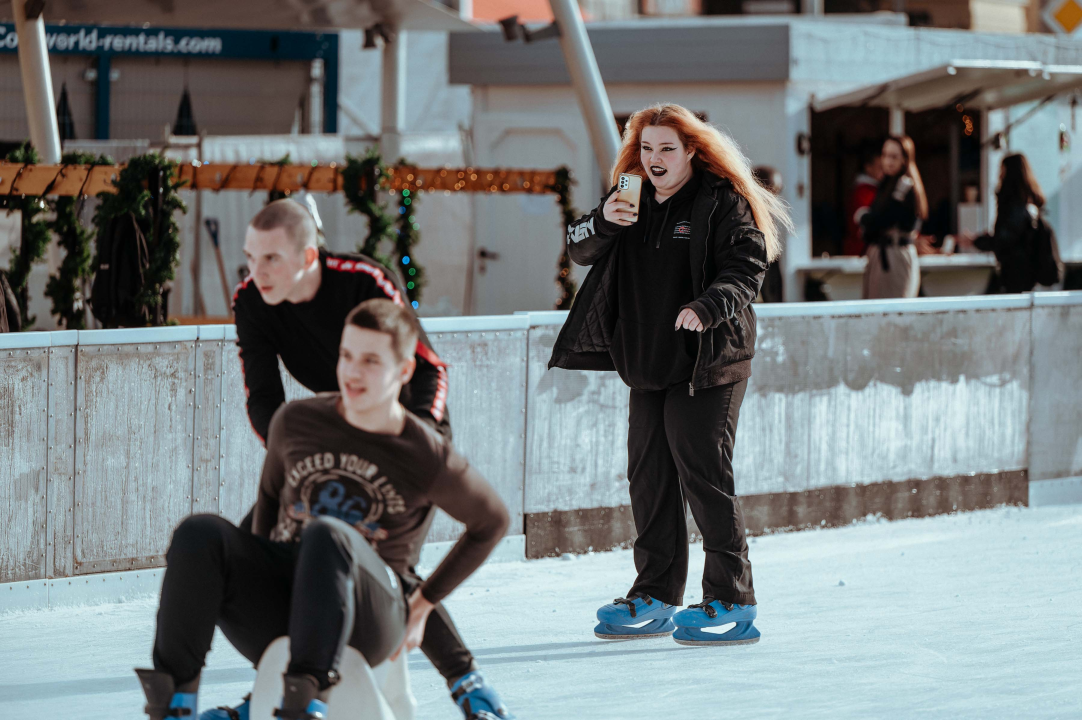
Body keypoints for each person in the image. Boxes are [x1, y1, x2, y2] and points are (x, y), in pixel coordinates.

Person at [135, 299, 511, 720]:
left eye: (371, 361)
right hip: (290, 607)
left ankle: (303, 706)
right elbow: (267, 515)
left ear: (404, 371)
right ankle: (174, 705)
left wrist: (423, 602)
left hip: (372, 621)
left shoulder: (424, 453)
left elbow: (492, 521)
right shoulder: (296, 421)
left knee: (326, 533)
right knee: (199, 533)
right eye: (347, 355)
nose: (352, 371)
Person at [216, 200, 513, 719]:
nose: (257, 272)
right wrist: (304, 453)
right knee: (277, 548)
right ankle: (276, 690)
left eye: (270, 260)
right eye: (250, 259)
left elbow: (428, 368)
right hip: (327, 433)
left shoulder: (360, 279)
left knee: (384, 560)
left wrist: (411, 438)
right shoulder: (252, 301)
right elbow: (262, 397)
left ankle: (469, 686)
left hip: (406, 423)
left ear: (306, 255)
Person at [549, 103, 791, 646]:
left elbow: (747, 266)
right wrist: (606, 221)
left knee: (703, 475)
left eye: (666, 149)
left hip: (708, 362)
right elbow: (578, 247)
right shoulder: (628, 198)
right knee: (650, 477)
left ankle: (731, 597)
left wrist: (708, 305)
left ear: (691, 152)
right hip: (649, 360)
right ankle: (656, 592)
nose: (654, 159)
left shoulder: (719, 203)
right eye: (646, 148)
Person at [958, 153, 1062, 293]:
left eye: (1002, 170)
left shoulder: (1014, 206)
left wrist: (977, 241)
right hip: (1028, 275)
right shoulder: (1029, 206)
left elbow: (1003, 239)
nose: (999, 175)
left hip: (1015, 275)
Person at [860, 135, 928, 299]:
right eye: (885, 155)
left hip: (895, 256)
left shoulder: (904, 184)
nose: (888, 161)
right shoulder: (886, 184)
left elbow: (883, 219)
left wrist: (864, 218)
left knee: (894, 314)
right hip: (882, 255)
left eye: (894, 157)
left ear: (905, 159)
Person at [843, 141, 883, 256]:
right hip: (862, 254)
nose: (885, 171)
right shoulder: (862, 193)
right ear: (868, 167)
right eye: (880, 167)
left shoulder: (876, 190)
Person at [752, 166, 784, 303]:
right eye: (770, 194)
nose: (772, 200)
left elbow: (774, 267)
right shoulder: (745, 216)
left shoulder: (767, 218)